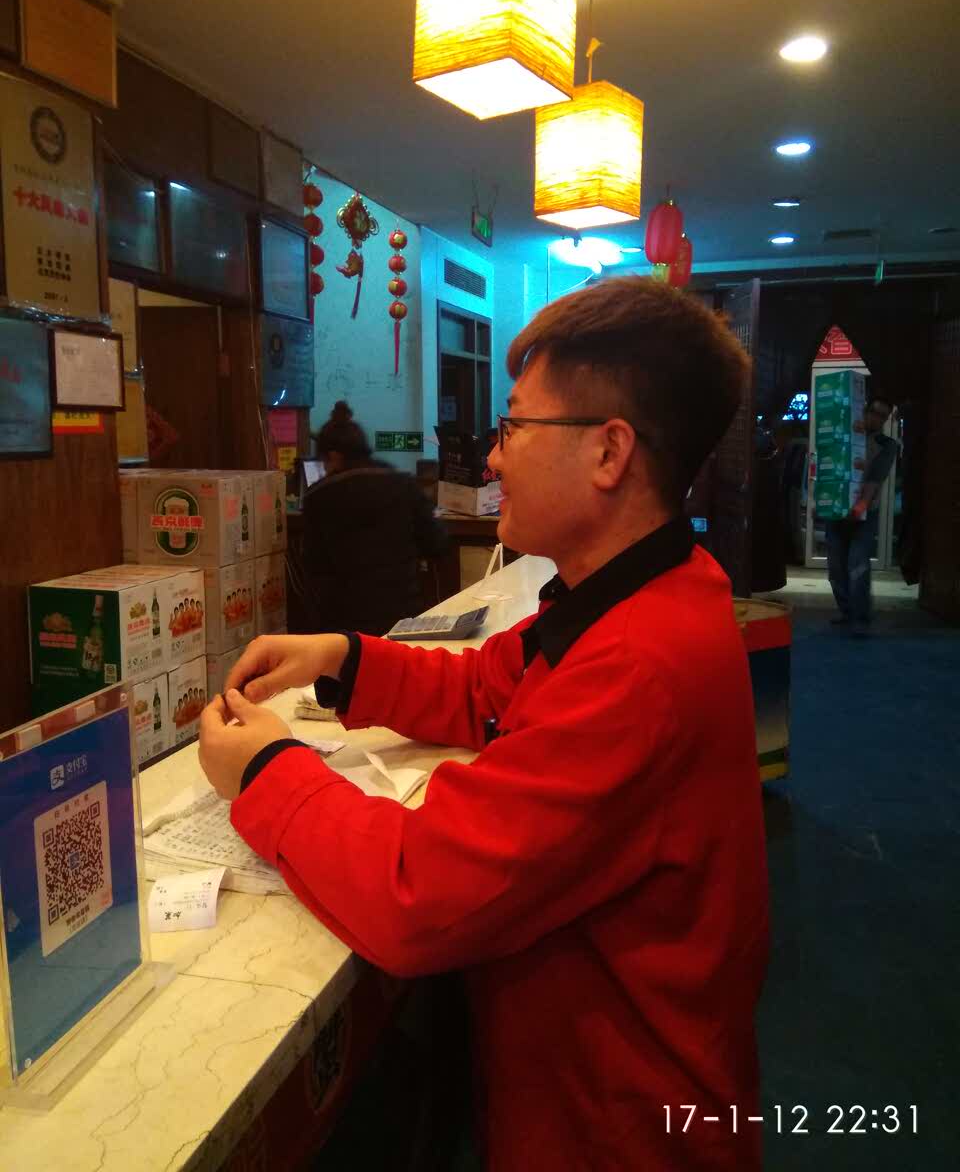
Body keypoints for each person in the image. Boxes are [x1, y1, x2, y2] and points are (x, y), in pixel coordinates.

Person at [199, 278, 769, 1172]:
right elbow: (488, 688)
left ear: (609, 451)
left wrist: (266, 769)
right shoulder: (638, 592)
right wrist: (342, 658)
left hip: (616, 1127)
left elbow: (415, 896)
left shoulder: (639, 663)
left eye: (514, 427)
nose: (494, 459)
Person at [303, 400, 448, 635]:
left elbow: (314, 564)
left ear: (334, 456)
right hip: (402, 612)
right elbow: (436, 542)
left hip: (342, 621)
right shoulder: (401, 483)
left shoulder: (318, 496)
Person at [825, 394, 897, 636]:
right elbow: (828, 467)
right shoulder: (845, 433)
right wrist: (822, 503)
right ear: (865, 411)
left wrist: (862, 506)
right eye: (874, 413)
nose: (877, 419)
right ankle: (845, 611)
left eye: (883, 416)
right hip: (837, 510)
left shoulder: (887, 445)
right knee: (836, 567)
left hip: (864, 514)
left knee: (858, 566)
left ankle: (860, 617)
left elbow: (875, 480)